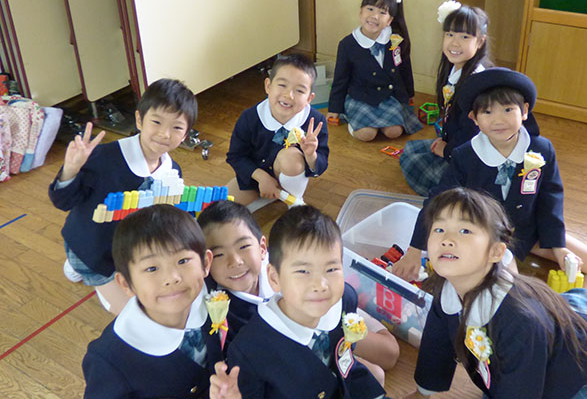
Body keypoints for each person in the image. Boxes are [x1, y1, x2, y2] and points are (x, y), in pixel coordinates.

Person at [408, 188, 587, 398]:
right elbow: (436, 346)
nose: (447, 240)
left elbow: (522, 389)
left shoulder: (519, 322)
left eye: (465, 230)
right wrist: (423, 393)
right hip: (546, 345)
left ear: (496, 252)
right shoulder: (447, 289)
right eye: (439, 229)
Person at [394, 68, 587, 281]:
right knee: (509, 281)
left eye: (508, 110)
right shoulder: (465, 155)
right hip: (486, 232)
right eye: (488, 112)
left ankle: (529, 249)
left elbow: (551, 197)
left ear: (524, 110)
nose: (498, 120)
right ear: (474, 118)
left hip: (526, 230)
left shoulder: (541, 149)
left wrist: (557, 246)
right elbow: (437, 201)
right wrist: (415, 250)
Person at [198, 200, 399, 381]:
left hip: (326, 314)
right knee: (374, 374)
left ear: (262, 247)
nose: (235, 261)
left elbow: (326, 277)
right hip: (305, 353)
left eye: (243, 247)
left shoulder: (283, 263)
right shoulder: (219, 312)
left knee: (389, 353)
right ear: (206, 262)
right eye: (219, 254)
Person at [49, 78, 197, 314]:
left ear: (186, 134)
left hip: (130, 251)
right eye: (156, 122)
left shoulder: (172, 170)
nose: (164, 134)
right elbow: (63, 201)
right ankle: (78, 265)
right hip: (93, 251)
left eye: (177, 128)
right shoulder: (103, 158)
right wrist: (71, 170)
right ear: (139, 119)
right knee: (133, 313)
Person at [82, 205, 225, 399]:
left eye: (183, 261)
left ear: (206, 263)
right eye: (151, 268)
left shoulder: (213, 291)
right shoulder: (110, 359)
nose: (172, 278)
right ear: (126, 284)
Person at [400, 0, 492, 196]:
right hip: (456, 142)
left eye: (465, 37)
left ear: (480, 42)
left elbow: (472, 136)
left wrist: (448, 150)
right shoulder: (455, 70)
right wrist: (445, 141)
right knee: (410, 150)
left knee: (417, 167)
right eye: (450, 34)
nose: (454, 43)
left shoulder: (476, 83)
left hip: (471, 156)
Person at [226, 54, 328, 211]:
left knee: (290, 157)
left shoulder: (315, 121)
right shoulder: (250, 117)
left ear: (309, 98)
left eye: (299, 90)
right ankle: (272, 193)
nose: (289, 95)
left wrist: (311, 155)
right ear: (268, 86)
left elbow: (320, 165)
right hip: (255, 176)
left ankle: (293, 200)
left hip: (291, 174)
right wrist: (262, 178)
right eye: (282, 85)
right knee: (220, 206)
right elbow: (236, 156)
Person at [327, 0, 422, 142]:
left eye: (382, 12)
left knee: (394, 132)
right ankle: (354, 122)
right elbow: (340, 79)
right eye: (370, 9)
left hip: (387, 96)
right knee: (367, 134)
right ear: (361, 12)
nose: (375, 16)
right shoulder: (347, 44)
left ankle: (378, 124)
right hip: (360, 96)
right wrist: (334, 108)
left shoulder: (395, 40)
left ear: (389, 20)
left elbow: (405, 69)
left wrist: (409, 94)